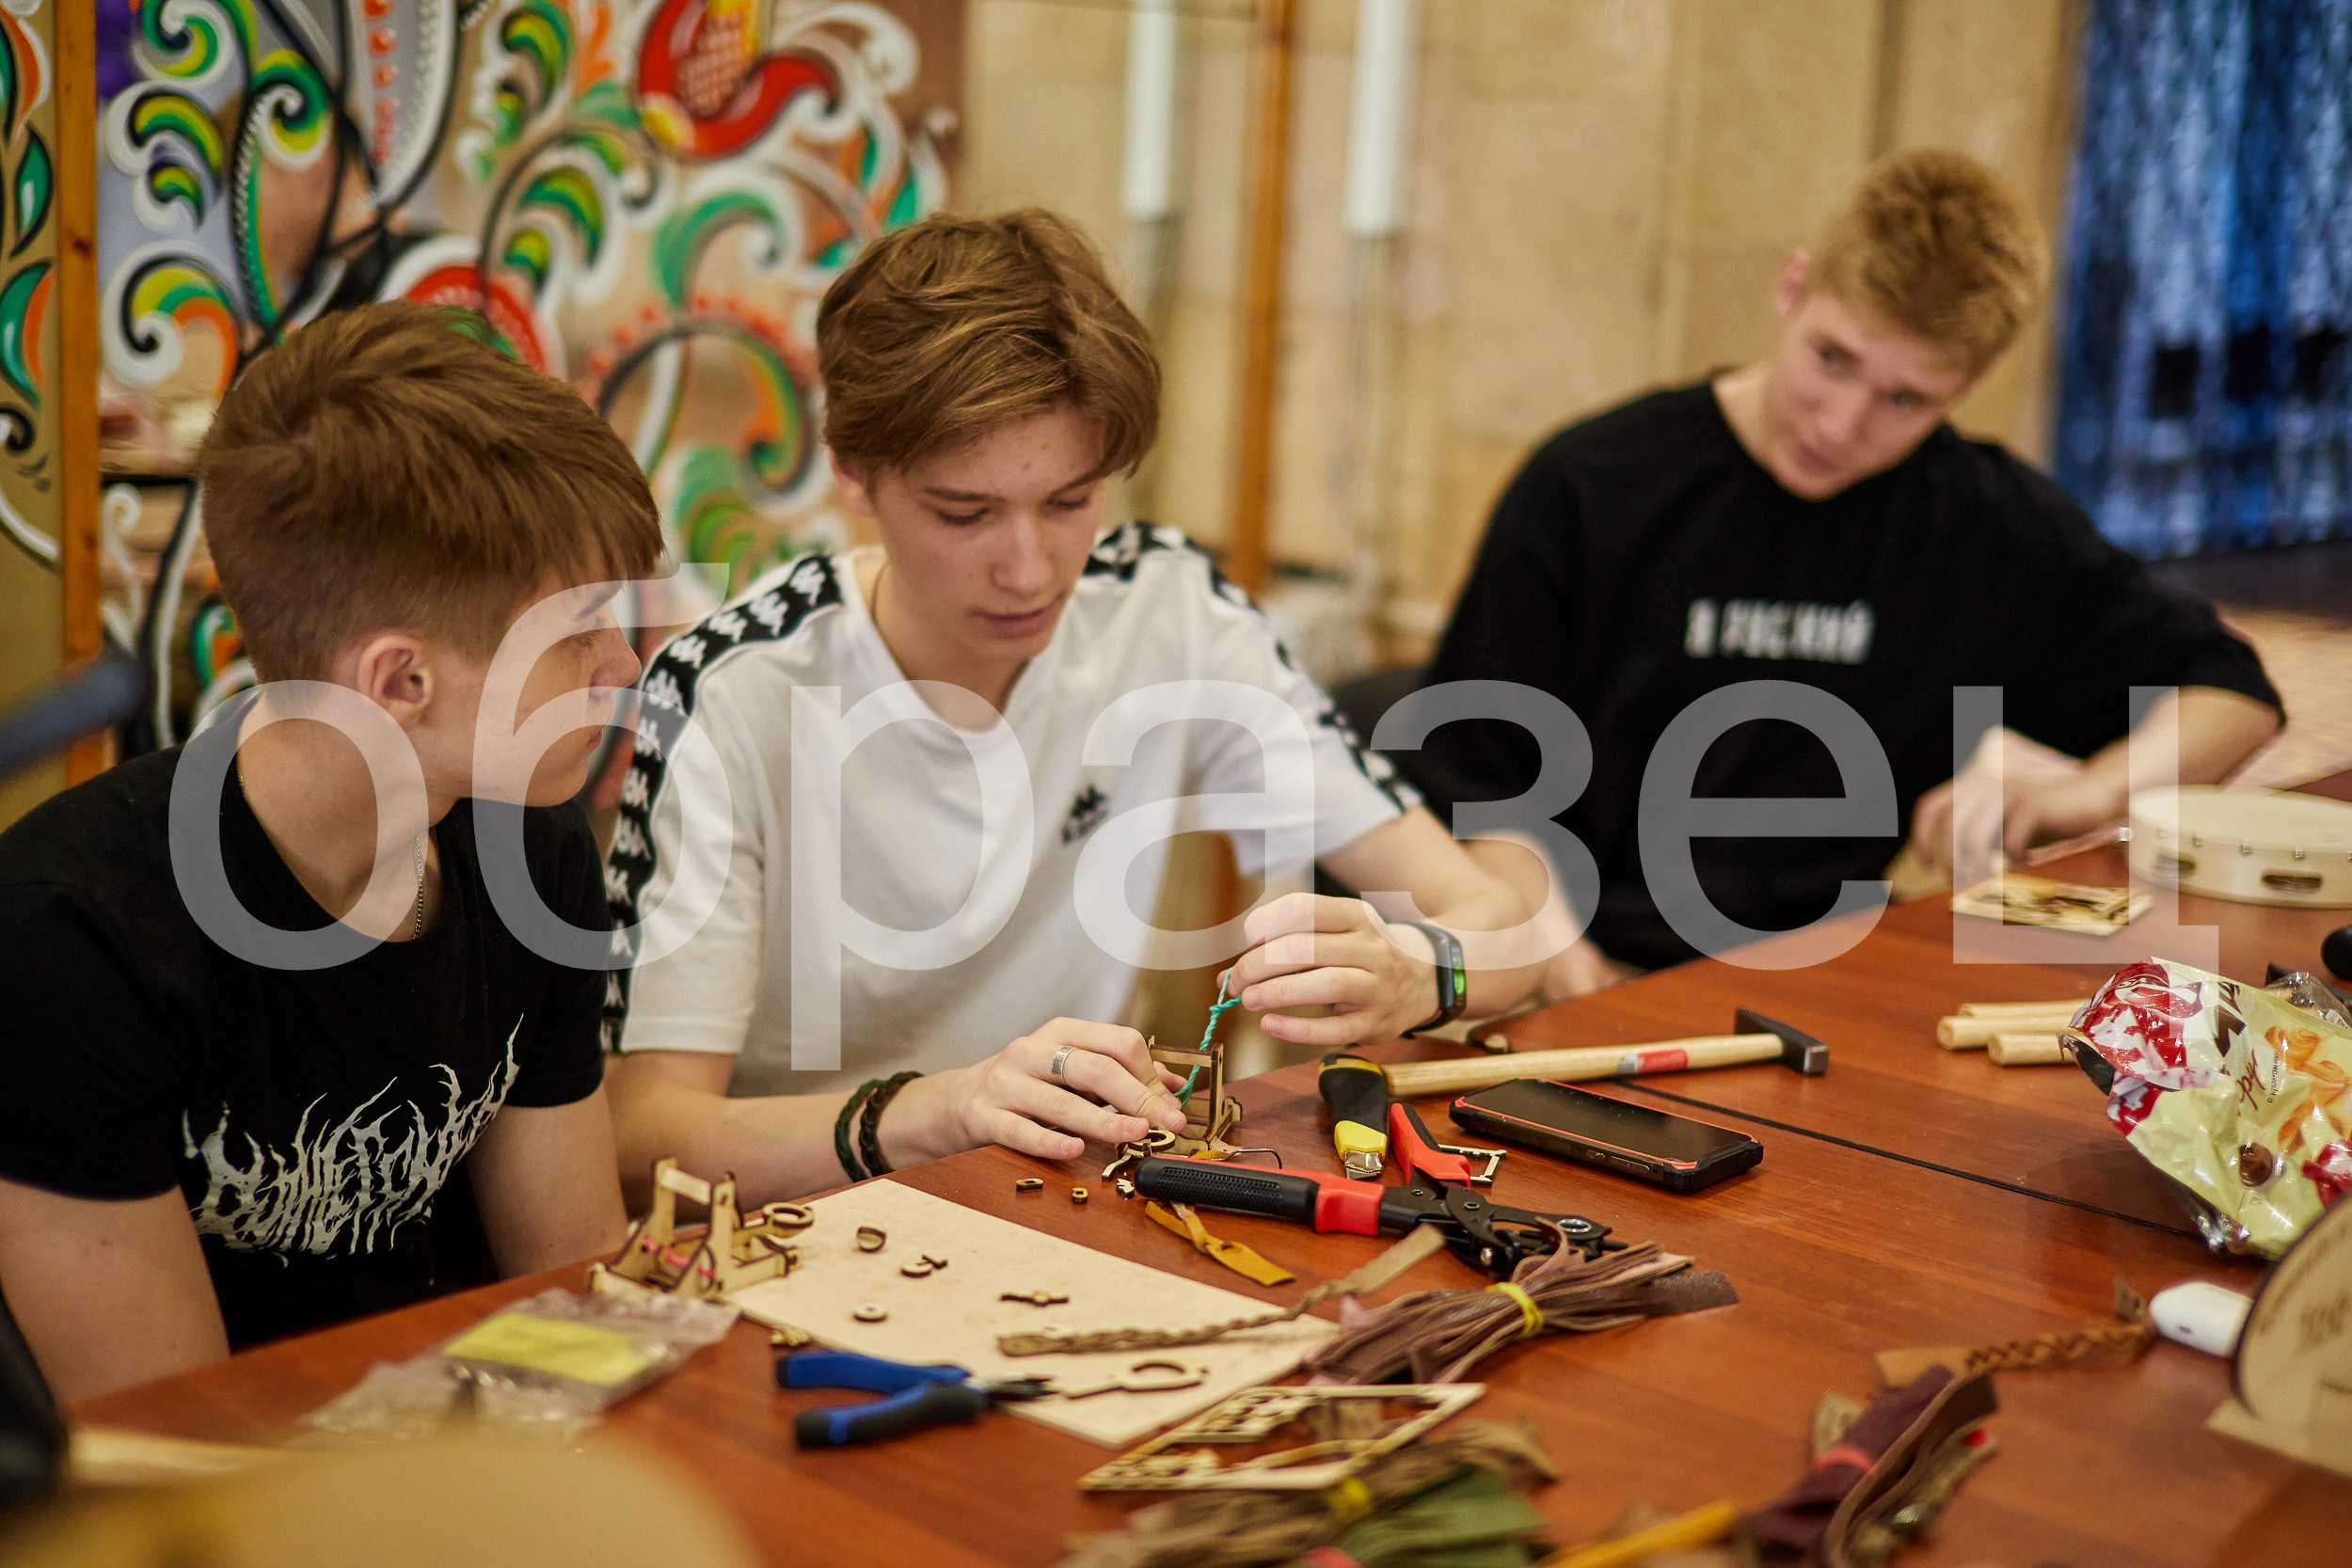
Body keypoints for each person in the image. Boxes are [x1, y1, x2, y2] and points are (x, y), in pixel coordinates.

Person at [603, 211, 1543, 1203]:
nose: (1029, 568)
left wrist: (1417, 969)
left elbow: (1507, 929)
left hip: (1063, 1206)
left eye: (1070, 502)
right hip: (804, 1231)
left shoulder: (1170, 609)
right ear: (853, 474)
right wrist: (943, 1107)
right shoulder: (729, 689)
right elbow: (641, 1132)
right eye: (964, 513)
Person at [1401, 149, 2281, 988]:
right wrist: (1540, 929)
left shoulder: (1987, 525)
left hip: (1827, 977)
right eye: (1833, 359)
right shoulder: (1593, 484)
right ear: (1792, 288)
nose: (1841, 424)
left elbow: (2234, 693)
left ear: (1968, 384)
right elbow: (1470, 771)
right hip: (1580, 953)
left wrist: (2086, 794)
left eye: (1904, 399)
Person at [0, 304, 653, 1400]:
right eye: (577, 629)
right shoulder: (67, 945)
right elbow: (169, 1447)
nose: (623, 662)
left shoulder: (535, 855)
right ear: (399, 680)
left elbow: (572, 1294)